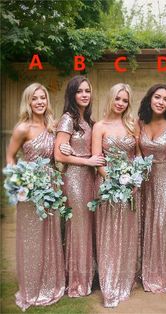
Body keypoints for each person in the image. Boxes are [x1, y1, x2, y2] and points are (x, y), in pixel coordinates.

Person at [6, 83, 65, 311]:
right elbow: (10, 158)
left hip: (51, 186)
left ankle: (50, 282)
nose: (40, 102)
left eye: (43, 98)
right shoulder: (23, 128)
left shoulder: (52, 125)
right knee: (32, 237)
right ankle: (31, 287)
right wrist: (18, 183)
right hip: (30, 190)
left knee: (50, 234)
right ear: (28, 102)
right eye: (35, 99)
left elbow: (59, 151)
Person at [54, 75, 105, 297]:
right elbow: (58, 154)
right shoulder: (68, 119)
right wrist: (86, 160)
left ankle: (89, 275)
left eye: (87, 91)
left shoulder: (89, 121)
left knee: (88, 227)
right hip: (74, 179)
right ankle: (77, 280)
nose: (84, 95)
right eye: (79, 91)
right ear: (72, 95)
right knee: (79, 228)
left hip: (90, 178)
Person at [92, 83, 140, 307]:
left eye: (125, 100)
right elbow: (97, 159)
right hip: (108, 186)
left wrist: (134, 180)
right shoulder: (99, 126)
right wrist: (113, 181)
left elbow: (138, 156)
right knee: (109, 234)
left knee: (127, 234)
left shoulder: (132, 124)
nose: (121, 103)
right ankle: (109, 284)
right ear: (111, 98)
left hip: (131, 187)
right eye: (118, 99)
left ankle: (124, 279)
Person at [137, 84, 166, 293]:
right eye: (157, 97)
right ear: (150, 98)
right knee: (147, 224)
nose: (161, 102)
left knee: (163, 225)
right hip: (145, 182)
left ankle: (163, 275)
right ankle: (146, 272)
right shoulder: (140, 123)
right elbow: (136, 154)